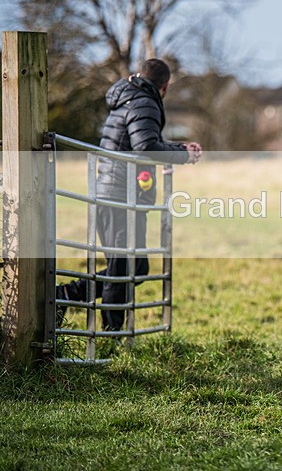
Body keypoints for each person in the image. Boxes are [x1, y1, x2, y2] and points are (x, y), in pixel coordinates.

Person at [57, 58, 203, 332]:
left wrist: (179, 147)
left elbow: (142, 142)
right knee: (123, 268)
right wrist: (183, 155)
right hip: (120, 195)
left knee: (135, 267)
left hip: (119, 192)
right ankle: (112, 333)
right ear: (165, 87)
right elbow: (146, 146)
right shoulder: (144, 102)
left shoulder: (129, 97)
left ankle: (67, 295)